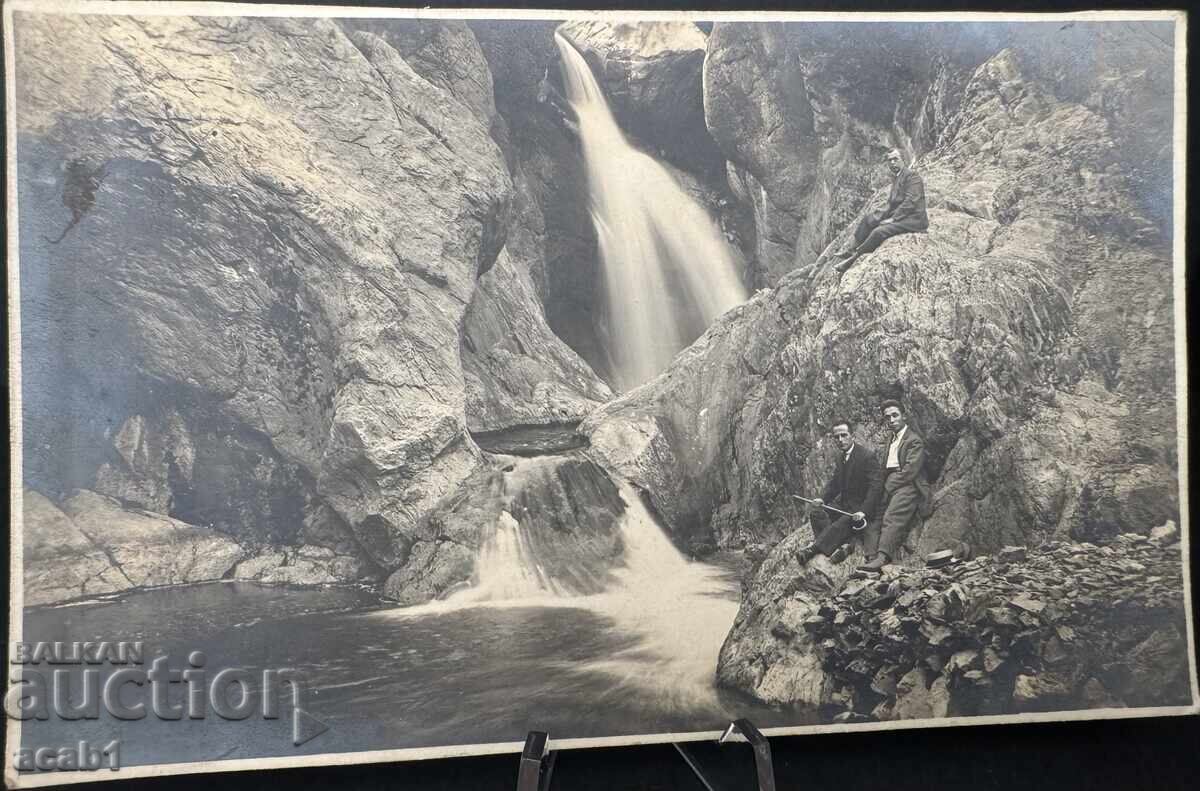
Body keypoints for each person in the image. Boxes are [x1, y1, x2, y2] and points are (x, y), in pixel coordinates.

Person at [858, 400, 930, 572]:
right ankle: (871, 557)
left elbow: (910, 471)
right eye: (887, 417)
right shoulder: (890, 439)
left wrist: (889, 484)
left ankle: (883, 557)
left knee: (892, 516)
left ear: (903, 416)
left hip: (909, 485)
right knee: (872, 516)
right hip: (889, 484)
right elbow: (884, 468)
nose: (891, 420)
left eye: (895, 415)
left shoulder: (914, 440)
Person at [796, 420, 883, 565]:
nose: (840, 440)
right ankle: (846, 545)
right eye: (837, 437)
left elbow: (876, 488)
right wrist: (822, 499)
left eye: (844, 435)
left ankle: (812, 550)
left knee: (841, 523)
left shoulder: (867, 456)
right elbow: (835, 484)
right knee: (816, 513)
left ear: (852, 436)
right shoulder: (840, 457)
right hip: (844, 505)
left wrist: (863, 511)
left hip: (860, 510)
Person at [833, 148, 928, 274]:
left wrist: (893, 219)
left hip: (914, 220)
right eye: (890, 160)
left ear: (903, 160)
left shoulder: (912, 176)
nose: (892, 163)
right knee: (868, 219)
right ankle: (851, 249)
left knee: (879, 231)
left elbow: (910, 202)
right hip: (903, 216)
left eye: (895, 159)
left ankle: (853, 258)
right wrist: (879, 215)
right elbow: (892, 202)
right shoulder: (897, 177)